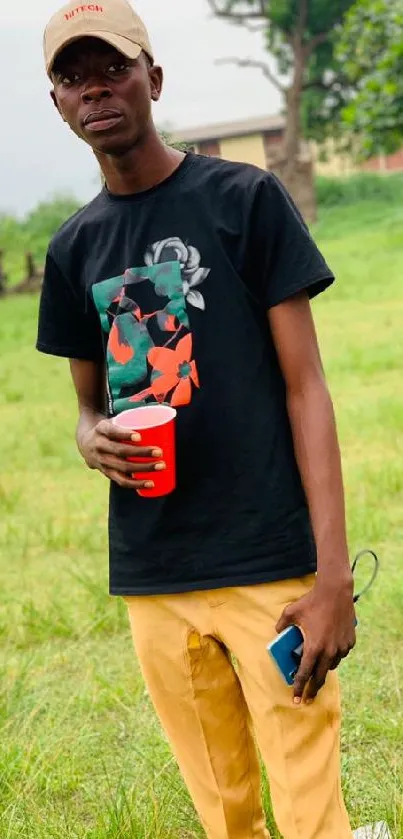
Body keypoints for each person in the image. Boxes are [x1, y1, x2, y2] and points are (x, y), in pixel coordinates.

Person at [37, 1, 357, 837]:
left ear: (154, 78)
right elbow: (86, 406)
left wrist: (329, 578)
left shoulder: (243, 199)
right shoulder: (74, 249)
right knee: (223, 811)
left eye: (112, 67)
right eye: (72, 77)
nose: (94, 89)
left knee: (308, 807)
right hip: (154, 571)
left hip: (267, 564)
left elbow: (306, 389)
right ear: (58, 105)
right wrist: (86, 437)